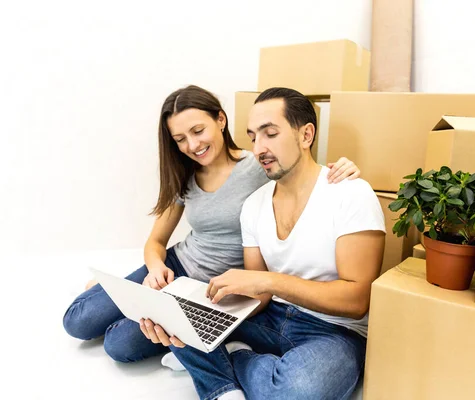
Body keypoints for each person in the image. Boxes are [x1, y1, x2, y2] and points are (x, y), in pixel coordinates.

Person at [62, 85, 360, 363]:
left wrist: (344, 166)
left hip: (210, 289)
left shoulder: (259, 165)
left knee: (119, 344)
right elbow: (155, 242)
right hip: (173, 268)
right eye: (180, 140)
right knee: (78, 320)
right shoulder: (186, 176)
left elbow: (301, 166)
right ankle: (114, 291)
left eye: (198, 130)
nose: (192, 145)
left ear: (220, 120)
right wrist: (155, 269)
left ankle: (119, 296)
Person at [141, 87, 386, 400]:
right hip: (268, 319)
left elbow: (356, 301)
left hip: (333, 331)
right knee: (180, 316)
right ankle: (223, 390)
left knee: (297, 391)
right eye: (253, 137)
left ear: (306, 134)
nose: (259, 148)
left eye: (270, 134)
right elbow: (260, 297)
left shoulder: (351, 194)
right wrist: (199, 313)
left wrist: (267, 280)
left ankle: (233, 356)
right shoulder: (255, 204)